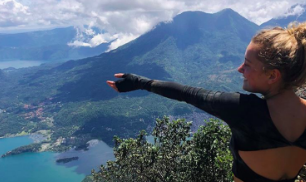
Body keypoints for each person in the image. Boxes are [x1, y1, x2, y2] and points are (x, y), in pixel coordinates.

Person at [107, 22, 306, 182]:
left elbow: (187, 93)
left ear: (272, 75)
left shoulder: (244, 111)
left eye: (247, 64)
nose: (239, 69)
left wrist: (140, 83)